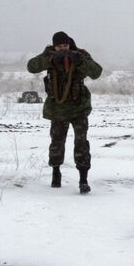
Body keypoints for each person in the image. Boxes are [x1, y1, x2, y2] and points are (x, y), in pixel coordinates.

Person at [27, 31, 103, 194]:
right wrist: (50, 59)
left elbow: (96, 72)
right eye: (60, 46)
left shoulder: (80, 55)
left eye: (66, 45)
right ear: (54, 46)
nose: (63, 49)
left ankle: (83, 179)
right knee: (57, 142)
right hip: (57, 108)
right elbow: (31, 66)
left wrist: (80, 62)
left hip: (78, 108)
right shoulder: (49, 55)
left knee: (81, 144)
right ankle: (56, 172)